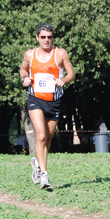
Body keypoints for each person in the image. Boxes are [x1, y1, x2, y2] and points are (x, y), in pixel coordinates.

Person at [20, 23, 75, 189]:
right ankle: (44, 175)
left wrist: (63, 80)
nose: (46, 40)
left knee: (48, 138)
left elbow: (71, 73)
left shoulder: (60, 53)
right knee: (41, 136)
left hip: (54, 101)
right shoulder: (30, 54)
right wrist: (25, 79)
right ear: (37, 37)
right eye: (43, 37)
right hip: (35, 99)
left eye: (49, 37)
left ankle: (37, 161)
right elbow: (23, 69)